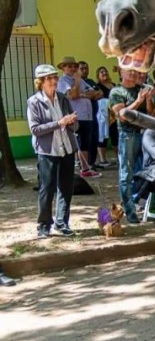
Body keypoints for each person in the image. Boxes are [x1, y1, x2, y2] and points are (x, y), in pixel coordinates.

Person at [27, 64, 80, 238]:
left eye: (55, 77)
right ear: (40, 82)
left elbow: (75, 124)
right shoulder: (34, 102)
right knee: (47, 188)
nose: (54, 81)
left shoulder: (63, 99)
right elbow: (35, 129)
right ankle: (43, 226)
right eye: (49, 78)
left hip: (67, 148)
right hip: (47, 151)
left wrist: (72, 122)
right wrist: (59, 123)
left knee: (66, 188)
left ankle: (62, 222)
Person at [110, 69, 155, 223]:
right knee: (126, 175)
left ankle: (144, 204)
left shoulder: (141, 88)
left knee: (148, 170)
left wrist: (148, 99)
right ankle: (130, 212)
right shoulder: (117, 91)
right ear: (121, 73)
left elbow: (151, 113)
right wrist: (138, 100)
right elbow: (122, 116)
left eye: (135, 71)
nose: (133, 73)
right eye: (129, 71)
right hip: (127, 135)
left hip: (145, 134)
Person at [56, 56, 102, 178]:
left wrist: (81, 94)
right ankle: (80, 167)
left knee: (85, 143)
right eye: (69, 66)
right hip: (76, 116)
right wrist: (76, 82)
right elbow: (72, 95)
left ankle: (85, 168)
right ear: (63, 68)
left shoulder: (82, 81)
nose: (73, 68)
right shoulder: (63, 81)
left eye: (74, 66)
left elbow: (95, 94)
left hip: (87, 116)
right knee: (78, 143)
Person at [78, 61, 103, 170]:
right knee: (85, 141)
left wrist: (92, 96)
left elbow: (100, 93)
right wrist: (91, 95)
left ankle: (92, 162)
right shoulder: (77, 83)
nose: (85, 70)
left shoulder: (90, 81)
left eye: (86, 68)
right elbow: (77, 96)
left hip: (94, 115)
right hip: (83, 117)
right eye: (82, 68)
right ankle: (85, 164)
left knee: (94, 139)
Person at [94, 66, 118, 166]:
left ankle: (118, 158)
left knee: (115, 135)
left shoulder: (113, 85)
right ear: (98, 75)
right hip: (104, 114)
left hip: (114, 113)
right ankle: (103, 160)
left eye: (105, 71)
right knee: (103, 136)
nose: (104, 73)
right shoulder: (97, 86)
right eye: (101, 72)